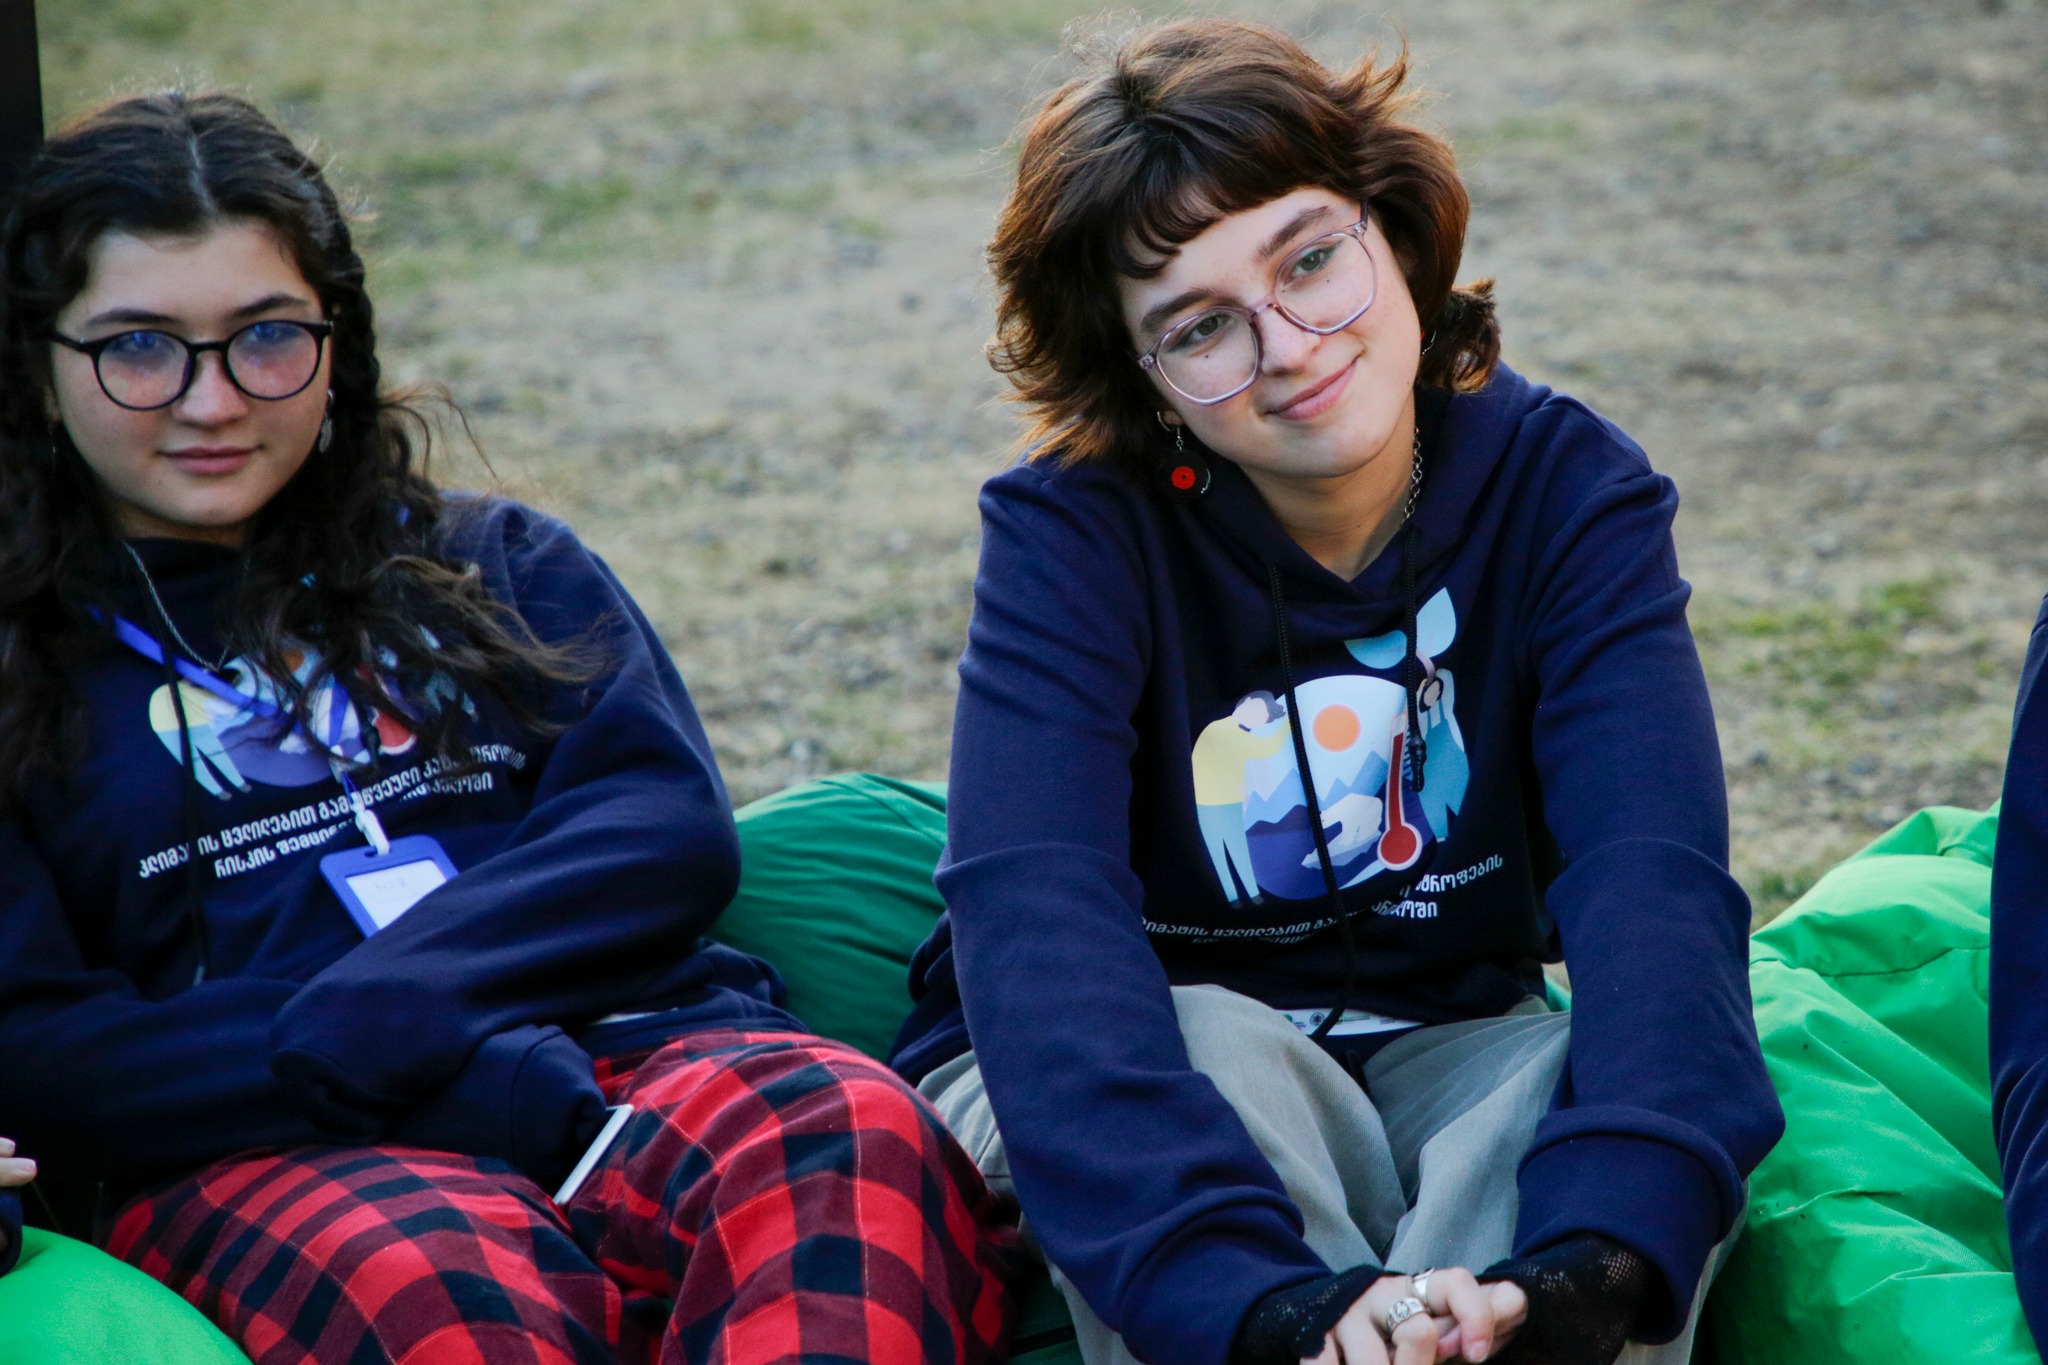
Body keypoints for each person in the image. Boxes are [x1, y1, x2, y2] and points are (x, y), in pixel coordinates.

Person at [0, 91, 1015, 1365]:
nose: (213, 399)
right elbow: (44, 1046)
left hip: (634, 1047)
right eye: (140, 348)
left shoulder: (492, 560)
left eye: (266, 337)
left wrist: (393, 1006)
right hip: (274, 1136)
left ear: (337, 342)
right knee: (434, 1293)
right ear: (40, 366)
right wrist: (342, 1058)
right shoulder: (21, 672)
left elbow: (655, 830)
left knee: (846, 1134)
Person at [889, 20, 1783, 1365]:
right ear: (1139, 377)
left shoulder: (1567, 489)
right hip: (1136, 1063)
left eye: (1310, 259)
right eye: (1200, 327)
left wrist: (1580, 1271)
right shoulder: (1071, 532)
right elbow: (1039, 920)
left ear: (1394, 230)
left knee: (1598, 1103)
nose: (1290, 345)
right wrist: (1263, 1306)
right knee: (1217, 1052)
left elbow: (1652, 886)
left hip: (1446, 1036)